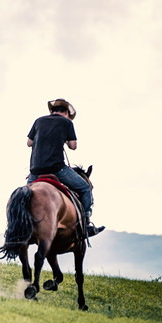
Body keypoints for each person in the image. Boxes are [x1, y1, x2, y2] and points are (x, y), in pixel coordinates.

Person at [26, 98, 103, 237]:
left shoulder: (39, 121)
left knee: (25, 196)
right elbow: (73, 146)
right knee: (84, 188)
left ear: (52, 111)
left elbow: (29, 143)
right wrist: (64, 139)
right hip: (56, 168)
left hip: (35, 170)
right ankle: (85, 225)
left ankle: (22, 225)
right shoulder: (67, 122)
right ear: (67, 112)